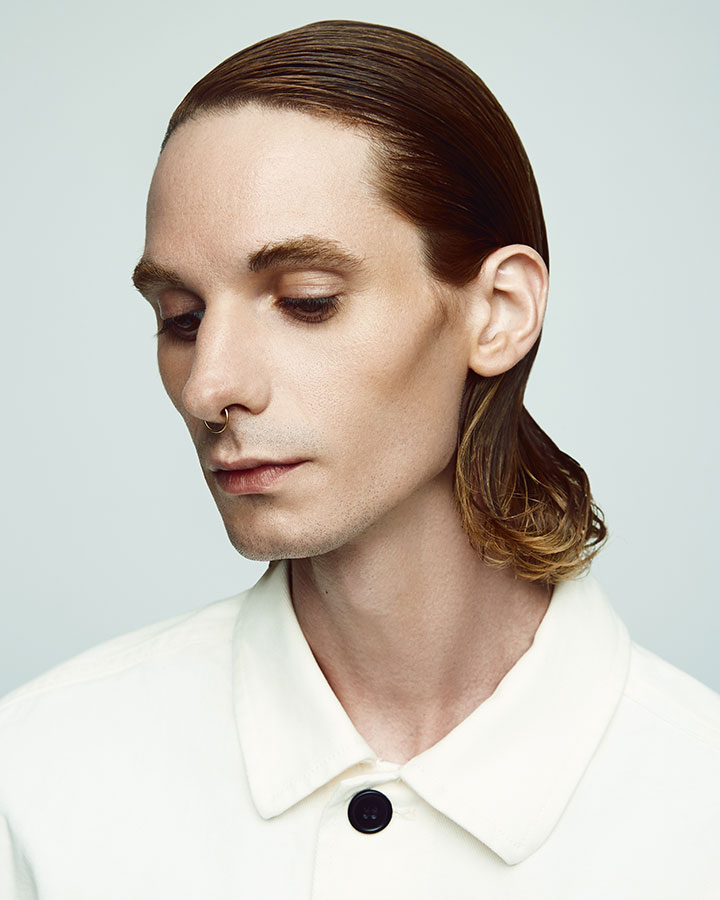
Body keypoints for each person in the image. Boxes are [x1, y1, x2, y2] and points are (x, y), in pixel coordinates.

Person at [1, 19, 718, 899]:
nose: (209, 386)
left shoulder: (697, 808)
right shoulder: (37, 776)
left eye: (307, 301)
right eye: (181, 318)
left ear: (499, 311)